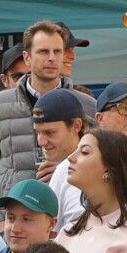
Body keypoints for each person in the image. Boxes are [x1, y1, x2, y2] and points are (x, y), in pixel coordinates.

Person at [0, 21, 97, 217]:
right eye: (43, 52)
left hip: (69, 215)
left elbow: (102, 166)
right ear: (27, 58)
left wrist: (64, 170)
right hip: (13, 217)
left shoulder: (86, 105)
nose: (51, 58)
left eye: (57, 52)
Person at [31, 89, 86, 226]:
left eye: (50, 132)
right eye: (38, 132)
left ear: (76, 126)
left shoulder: (84, 169)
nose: (41, 142)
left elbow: (77, 229)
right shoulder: (61, 169)